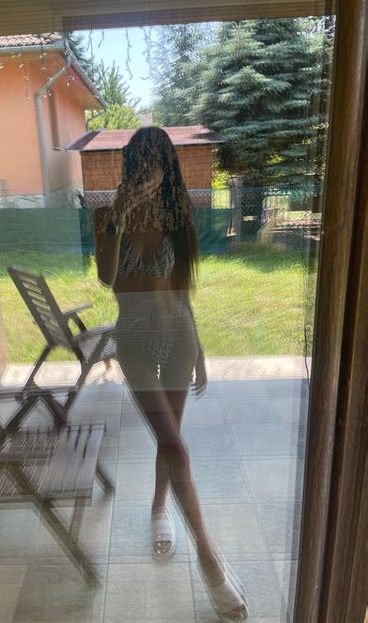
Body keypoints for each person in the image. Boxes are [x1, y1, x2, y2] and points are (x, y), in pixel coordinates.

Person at [94, 127, 248, 621]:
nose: (147, 170)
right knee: (174, 444)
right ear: (129, 165)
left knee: (171, 439)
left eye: (156, 161)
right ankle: (209, 559)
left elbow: (182, 290)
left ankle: (160, 508)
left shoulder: (178, 215)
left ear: (168, 169)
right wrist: (119, 216)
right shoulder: (106, 216)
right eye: (139, 160)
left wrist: (199, 349)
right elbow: (107, 276)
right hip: (135, 342)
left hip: (178, 336)